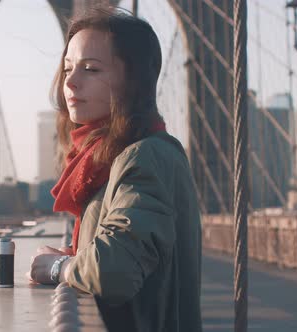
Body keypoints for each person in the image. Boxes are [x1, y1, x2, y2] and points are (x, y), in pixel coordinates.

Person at [28, 8, 202, 332]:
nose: (70, 81)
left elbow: (115, 271)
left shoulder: (146, 157)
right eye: (68, 68)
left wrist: (59, 267)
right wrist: (75, 256)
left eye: (91, 69)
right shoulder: (113, 157)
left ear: (133, 81)